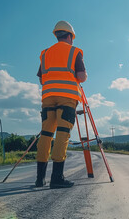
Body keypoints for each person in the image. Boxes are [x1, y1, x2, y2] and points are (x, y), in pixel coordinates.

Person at [35, 20, 87, 189]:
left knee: (46, 134)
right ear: (70, 36)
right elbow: (81, 76)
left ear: (57, 35)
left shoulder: (45, 53)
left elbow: (42, 77)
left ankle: (39, 179)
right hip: (67, 98)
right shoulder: (74, 52)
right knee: (62, 134)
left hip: (48, 98)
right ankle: (57, 177)